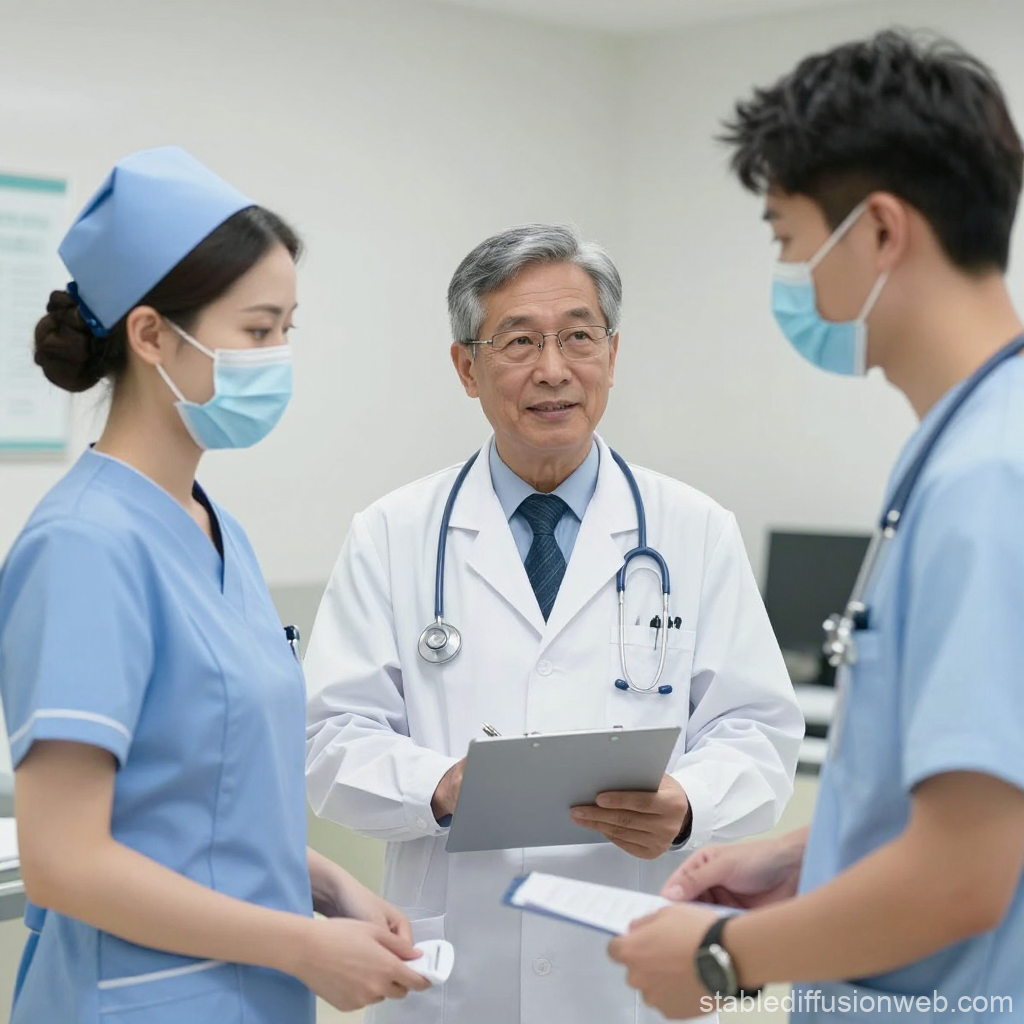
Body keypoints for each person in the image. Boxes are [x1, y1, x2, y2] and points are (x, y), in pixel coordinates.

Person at [610, 31, 1024, 1023]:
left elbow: (965, 873)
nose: (789, 273)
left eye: (787, 238)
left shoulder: (990, 479)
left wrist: (720, 952)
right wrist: (815, 853)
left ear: (880, 231)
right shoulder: (964, 449)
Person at [304, 223, 804, 1024]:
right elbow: (328, 739)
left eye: (579, 336)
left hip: (631, 967)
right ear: (467, 366)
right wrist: (437, 786)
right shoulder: (392, 534)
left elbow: (758, 732)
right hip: (455, 975)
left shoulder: (694, 528)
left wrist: (686, 804)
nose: (553, 370)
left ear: (612, 354)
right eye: (518, 341)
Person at [0, 146, 429, 1024]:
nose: (277, 357)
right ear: (151, 333)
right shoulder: (85, 545)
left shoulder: (210, 524)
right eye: (257, 330)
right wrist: (304, 946)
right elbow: (64, 861)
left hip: (247, 993)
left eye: (286, 331)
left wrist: (319, 883)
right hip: (135, 1001)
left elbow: (201, 797)